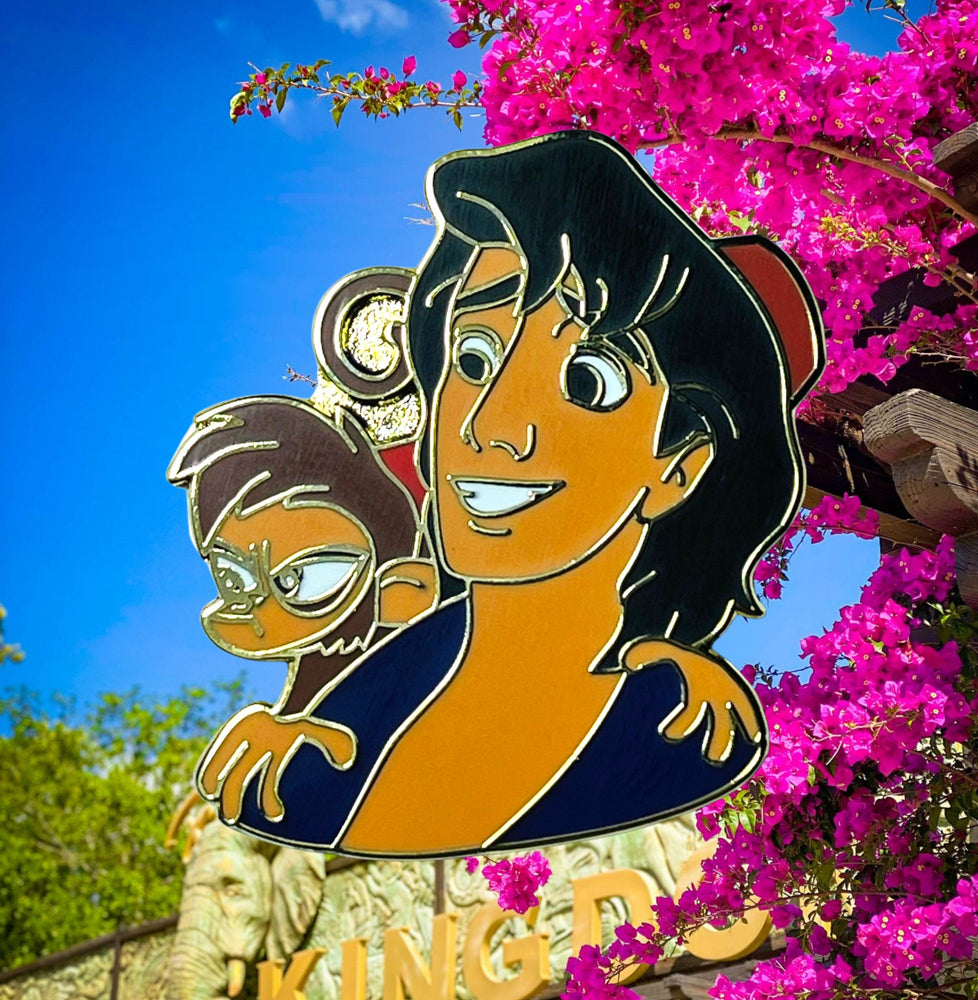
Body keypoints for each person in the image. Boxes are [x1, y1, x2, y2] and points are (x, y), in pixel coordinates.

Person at [197, 130, 823, 855]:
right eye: (473, 358)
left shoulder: (674, 730)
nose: (489, 425)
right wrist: (294, 761)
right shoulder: (361, 710)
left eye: (587, 381)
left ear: (679, 465)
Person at [168, 396, 438, 821]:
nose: (261, 611)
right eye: (234, 580)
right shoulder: (316, 666)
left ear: (405, 584)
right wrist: (291, 728)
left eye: (300, 578)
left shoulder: (436, 648)